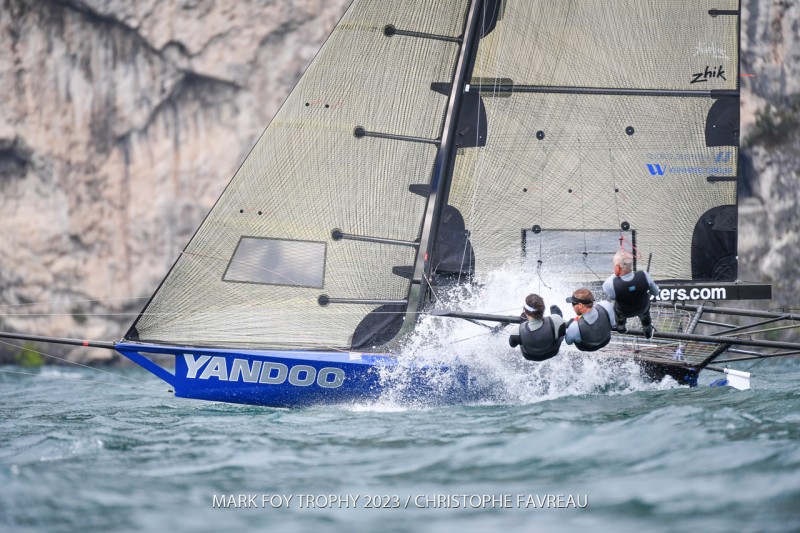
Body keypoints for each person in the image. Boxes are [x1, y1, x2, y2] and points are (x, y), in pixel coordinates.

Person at [602, 249, 660, 339]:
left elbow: (612, 297)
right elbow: (655, 292)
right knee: (645, 314)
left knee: (616, 308)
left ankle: (621, 327)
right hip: (642, 308)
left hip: (624, 312)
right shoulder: (644, 275)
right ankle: (647, 330)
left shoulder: (609, 283)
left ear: (617, 267)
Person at [508, 294, 566, 362]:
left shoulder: (516, 331)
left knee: (519, 337)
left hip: (530, 356)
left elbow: (512, 345)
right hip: (552, 352)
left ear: (526, 311)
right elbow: (562, 333)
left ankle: (525, 322)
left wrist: (522, 327)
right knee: (554, 309)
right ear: (543, 309)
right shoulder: (556, 319)